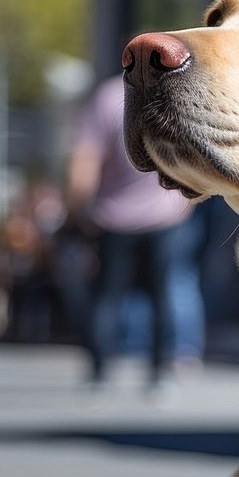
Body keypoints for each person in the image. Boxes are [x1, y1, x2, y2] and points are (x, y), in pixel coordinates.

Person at [66, 75, 191, 389]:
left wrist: (78, 210)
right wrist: (187, 203)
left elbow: (86, 159)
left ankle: (100, 368)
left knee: (108, 295)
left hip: (114, 216)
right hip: (165, 215)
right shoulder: (171, 90)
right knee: (162, 293)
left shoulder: (108, 96)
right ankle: (160, 370)